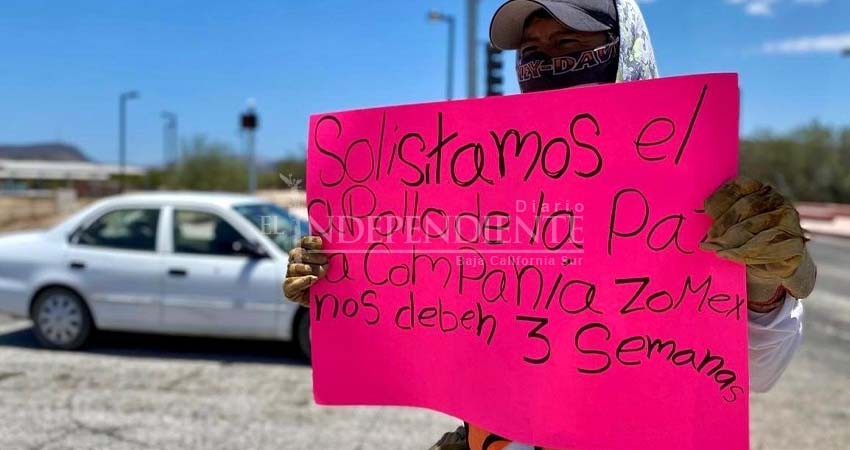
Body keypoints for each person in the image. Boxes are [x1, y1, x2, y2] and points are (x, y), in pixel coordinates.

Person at [283, 1, 818, 448]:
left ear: (625, 46)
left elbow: (757, 373)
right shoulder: (476, 187)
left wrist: (764, 287)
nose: (549, 67)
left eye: (570, 47)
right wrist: (348, 281)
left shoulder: (699, 191)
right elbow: (445, 327)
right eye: (533, 54)